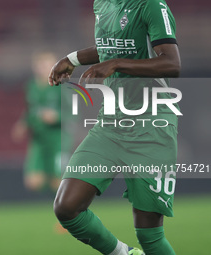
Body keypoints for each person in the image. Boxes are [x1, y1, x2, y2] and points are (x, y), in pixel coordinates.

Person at [48, 0, 181, 254]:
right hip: (111, 122)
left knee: (149, 235)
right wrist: (72, 59)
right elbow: (112, 48)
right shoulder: (103, 4)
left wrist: (117, 63)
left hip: (152, 125)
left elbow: (172, 64)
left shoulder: (151, 5)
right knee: (66, 206)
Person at [12, 52, 70, 193]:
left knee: (58, 181)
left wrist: (56, 116)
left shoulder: (63, 87)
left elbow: (74, 113)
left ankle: (63, 208)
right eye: (40, 66)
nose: (43, 69)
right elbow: (30, 110)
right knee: (33, 182)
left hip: (58, 140)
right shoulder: (31, 87)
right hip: (38, 139)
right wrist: (23, 123)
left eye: (47, 65)